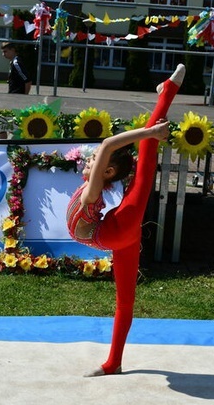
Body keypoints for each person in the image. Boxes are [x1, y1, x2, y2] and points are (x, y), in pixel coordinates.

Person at [66, 64, 186, 377]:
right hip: (120, 238)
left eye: (93, 161)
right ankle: (114, 362)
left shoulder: (93, 191)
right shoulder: (98, 182)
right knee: (125, 302)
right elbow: (105, 153)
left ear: (106, 172)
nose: (89, 160)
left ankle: (168, 93)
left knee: (148, 156)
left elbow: (107, 146)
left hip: (116, 231)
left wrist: (150, 132)